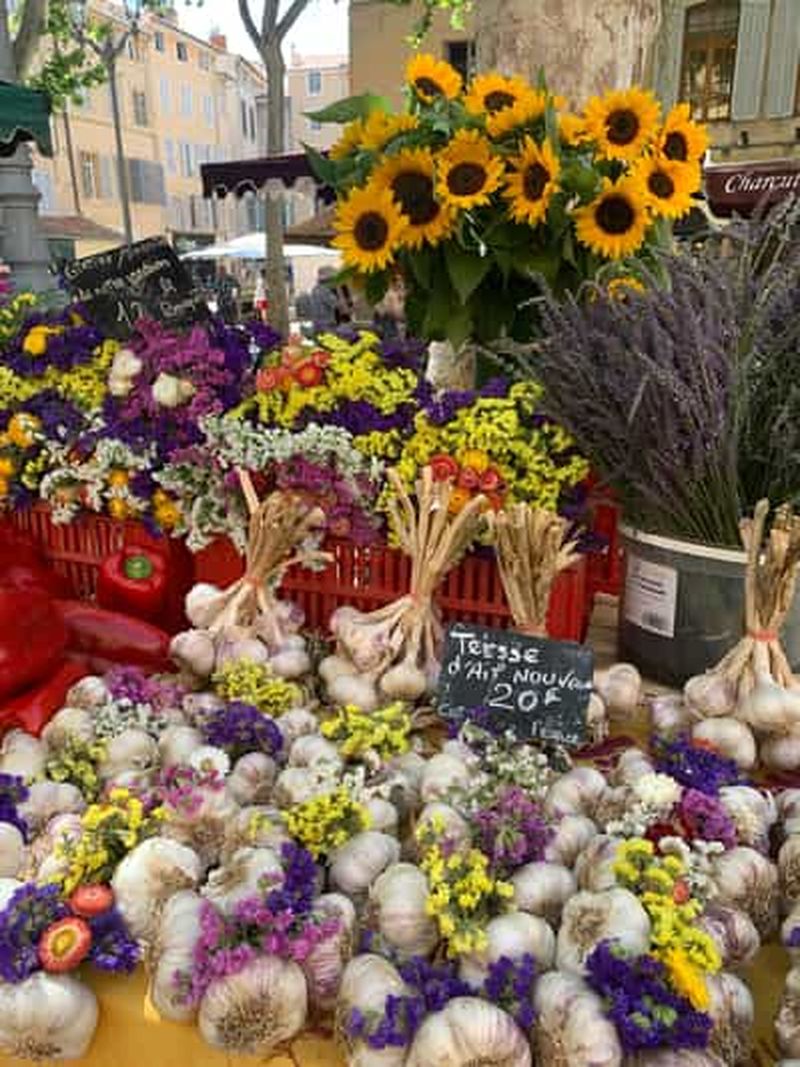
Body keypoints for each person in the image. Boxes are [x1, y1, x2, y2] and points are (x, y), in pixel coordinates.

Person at [308, 266, 338, 333]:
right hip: (326, 326)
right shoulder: (325, 290)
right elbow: (336, 304)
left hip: (317, 325)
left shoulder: (315, 289)